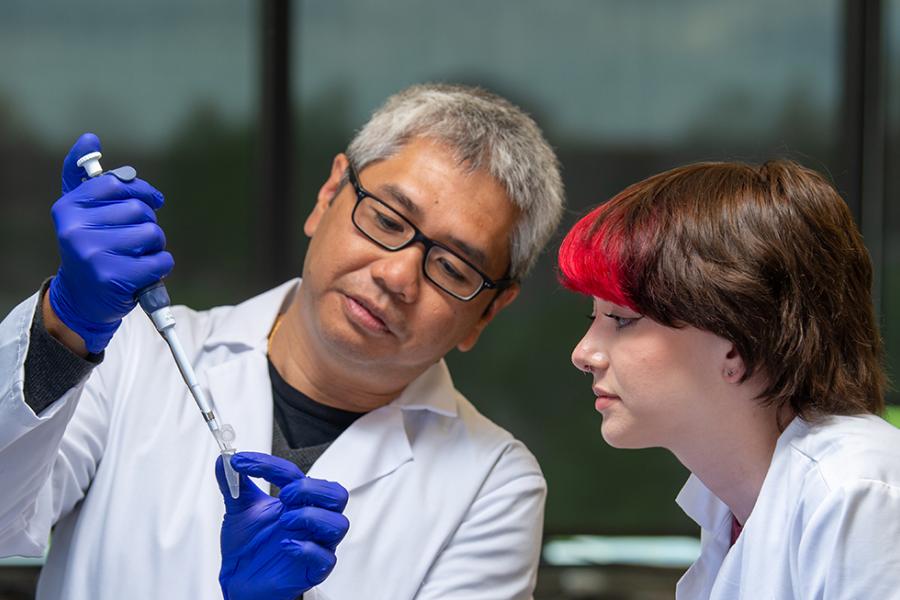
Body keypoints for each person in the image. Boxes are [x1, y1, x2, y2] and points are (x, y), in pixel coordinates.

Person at [0, 83, 564, 600]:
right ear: (328, 194)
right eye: (389, 220)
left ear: (488, 310)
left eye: (454, 268)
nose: (397, 277)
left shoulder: (492, 487)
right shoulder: (130, 354)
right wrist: (63, 327)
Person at [558, 159, 900, 598]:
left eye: (621, 320)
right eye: (594, 317)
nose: (583, 353)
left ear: (736, 344)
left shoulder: (853, 490)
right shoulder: (731, 506)